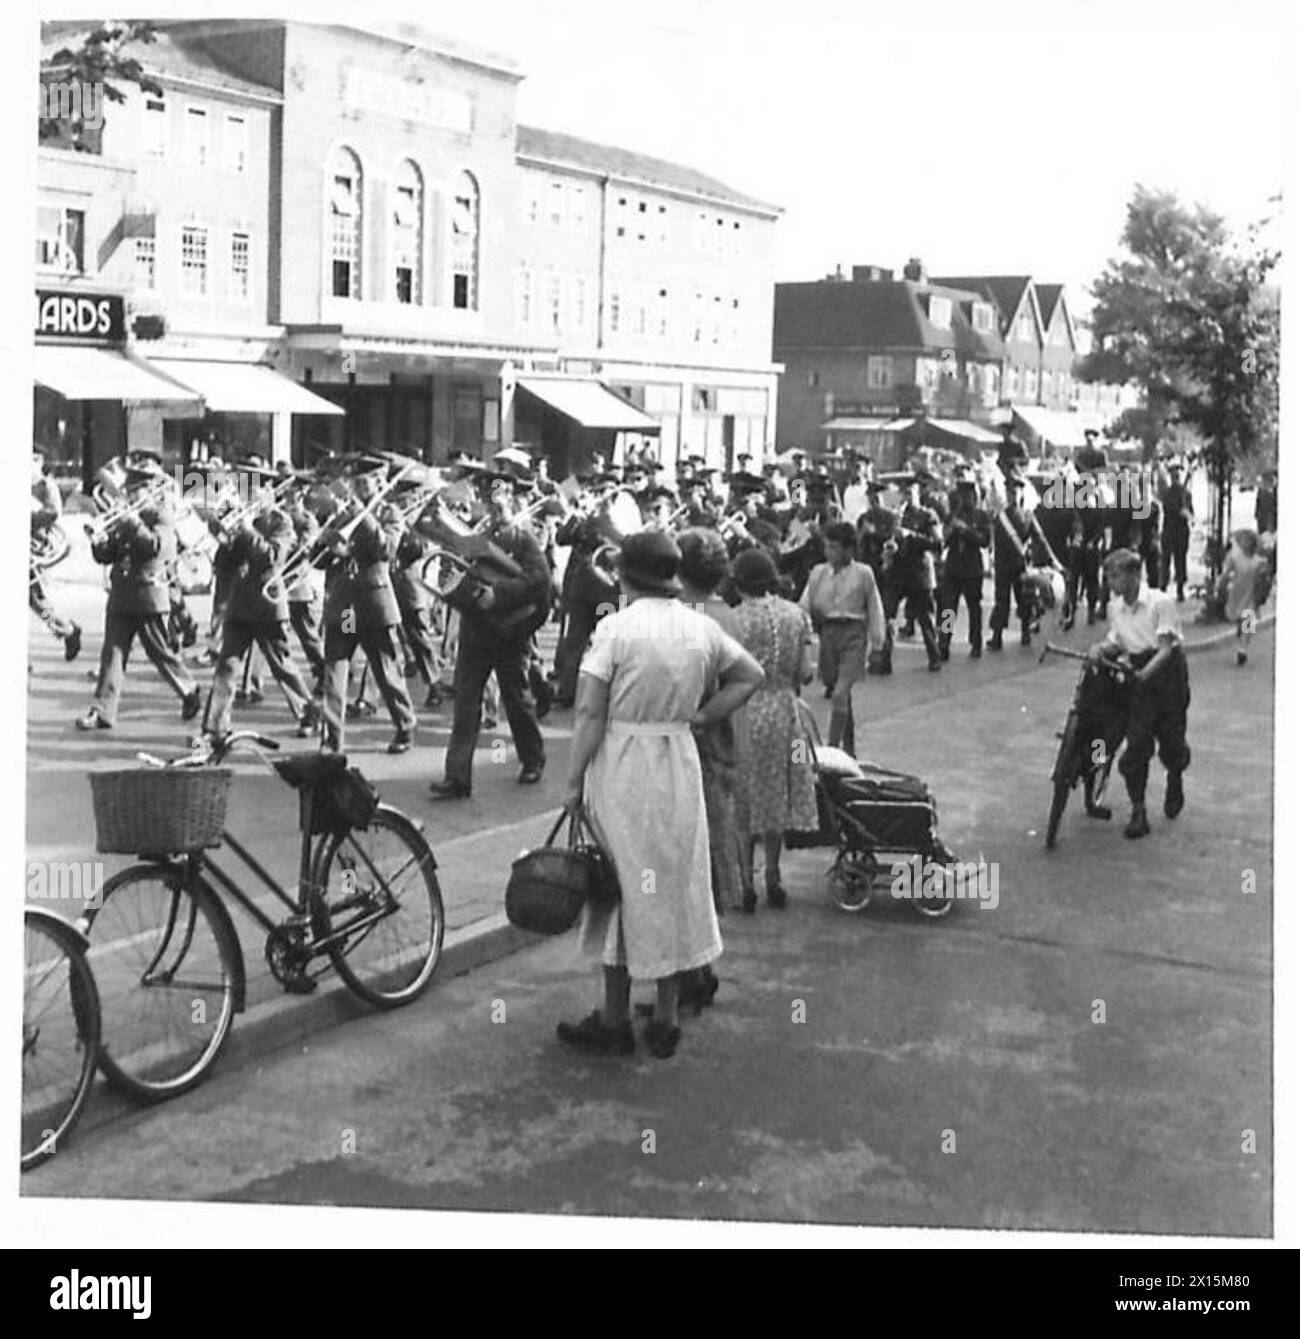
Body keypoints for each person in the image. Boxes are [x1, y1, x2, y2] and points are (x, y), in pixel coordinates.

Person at [557, 531, 763, 1059]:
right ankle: (668, 1013)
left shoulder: (615, 630)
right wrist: (700, 715)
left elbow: (589, 712)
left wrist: (574, 778)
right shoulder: (699, 627)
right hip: (677, 757)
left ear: (626, 577)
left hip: (624, 763)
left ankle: (614, 1015)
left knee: (620, 884)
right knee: (672, 877)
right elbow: (750, 675)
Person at [429, 471, 551, 798]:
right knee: (466, 704)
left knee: (517, 700)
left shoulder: (524, 538)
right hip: (475, 630)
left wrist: (499, 593)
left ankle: (532, 758)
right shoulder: (477, 533)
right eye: (489, 499)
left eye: (500, 498)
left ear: (511, 499)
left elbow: (540, 582)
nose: (495, 506)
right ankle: (457, 777)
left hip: (509, 633)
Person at [202, 455, 320, 741]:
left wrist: (245, 529)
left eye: (253, 490)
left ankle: (308, 710)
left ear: (269, 492)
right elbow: (227, 562)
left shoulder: (282, 522)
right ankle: (214, 728)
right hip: (240, 602)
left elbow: (271, 558)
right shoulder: (239, 517)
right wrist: (220, 531)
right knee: (227, 666)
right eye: (243, 489)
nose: (246, 495)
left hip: (268, 604)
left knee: (282, 665)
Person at [76, 464, 202, 731]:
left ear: (150, 490)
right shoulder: (125, 516)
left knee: (159, 652)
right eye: (129, 491)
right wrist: (98, 541)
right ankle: (102, 711)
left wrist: (131, 522)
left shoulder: (161, 516)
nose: (130, 496)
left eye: (136, 491)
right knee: (112, 654)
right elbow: (108, 555)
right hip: (121, 593)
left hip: (148, 595)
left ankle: (189, 689)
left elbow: (155, 548)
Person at [730, 547, 819, 912]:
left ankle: (745, 883)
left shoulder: (733, 620)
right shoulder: (795, 614)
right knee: (777, 790)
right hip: (785, 712)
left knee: (744, 796)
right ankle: (773, 876)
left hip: (745, 712)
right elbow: (806, 673)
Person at [1088, 548, 1190, 839]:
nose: (1111, 581)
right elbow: (1116, 641)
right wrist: (1100, 650)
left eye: (1116, 575)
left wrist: (1146, 675)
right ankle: (1138, 810)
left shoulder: (1160, 603)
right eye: (1108, 575)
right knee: (1137, 744)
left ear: (1135, 575)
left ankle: (1175, 777)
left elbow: (1166, 648)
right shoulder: (1116, 608)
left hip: (1167, 674)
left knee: (1171, 739)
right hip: (1139, 676)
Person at [318, 458, 417, 754]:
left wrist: (364, 516)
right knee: (335, 672)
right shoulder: (344, 513)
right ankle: (331, 742)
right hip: (346, 608)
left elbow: (386, 549)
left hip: (373, 605)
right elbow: (324, 559)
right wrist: (326, 542)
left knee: (385, 671)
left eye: (365, 483)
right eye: (356, 483)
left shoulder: (390, 513)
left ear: (379, 483)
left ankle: (405, 724)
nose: (359, 488)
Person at [677, 529, 746, 923]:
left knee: (689, 851)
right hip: (725, 745)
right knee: (715, 840)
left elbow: (695, 686)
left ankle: (695, 963)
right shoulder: (727, 614)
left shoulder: (692, 619)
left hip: (696, 748)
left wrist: (698, 716)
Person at [799, 522, 887, 756]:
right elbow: (806, 604)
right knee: (839, 693)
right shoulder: (818, 573)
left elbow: (875, 607)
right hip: (828, 634)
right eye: (827, 547)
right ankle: (849, 747)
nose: (829, 552)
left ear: (849, 550)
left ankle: (833, 747)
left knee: (840, 692)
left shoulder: (863, 573)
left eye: (835, 548)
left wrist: (878, 642)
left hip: (853, 634)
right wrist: (801, 630)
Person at [29, 452, 81, 661]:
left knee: (37, 602)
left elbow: (53, 513)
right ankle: (65, 630)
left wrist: (27, 516)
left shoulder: (46, 486)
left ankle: (66, 629)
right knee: (36, 603)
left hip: (32, 546)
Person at [938, 469, 991, 659]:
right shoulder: (952, 515)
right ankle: (944, 642)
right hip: (953, 567)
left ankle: (976, 642)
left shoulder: (981, 516)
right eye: (962, 495)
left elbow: (984, 541)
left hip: (972, 568)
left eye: (968, 495)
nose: (965, 499)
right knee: (948, 609)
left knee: (974, 608)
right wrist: (951, 530)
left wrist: (966, 530)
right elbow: (944, 539)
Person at [1218, 529, 1269, 666]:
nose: (1246, 544)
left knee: (1248, 619)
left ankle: (1243, 649)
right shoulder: (1234, 556)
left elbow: (1263, 581)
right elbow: (1226, 572)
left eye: (1249, 541)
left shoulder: (1259, 561)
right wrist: (1221, 583)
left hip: (1251, 594)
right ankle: (1241, 634)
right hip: (1237, 592)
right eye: (1244, 541)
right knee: (1238, 618)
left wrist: (1262, 594)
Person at [1159, 460, 1194, 601]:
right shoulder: (1168, 493)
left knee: (1179, 561)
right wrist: (1183, 511)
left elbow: (1190, 511)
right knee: (1168, 560)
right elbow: (1172, 509)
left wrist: (1187, 513)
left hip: (1178, 531)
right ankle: (1164, 587)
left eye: (1177, 475)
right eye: (1174, 475)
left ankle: (1179, 589)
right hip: (1171, 530)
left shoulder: (1185, 493)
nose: (1176, 477)